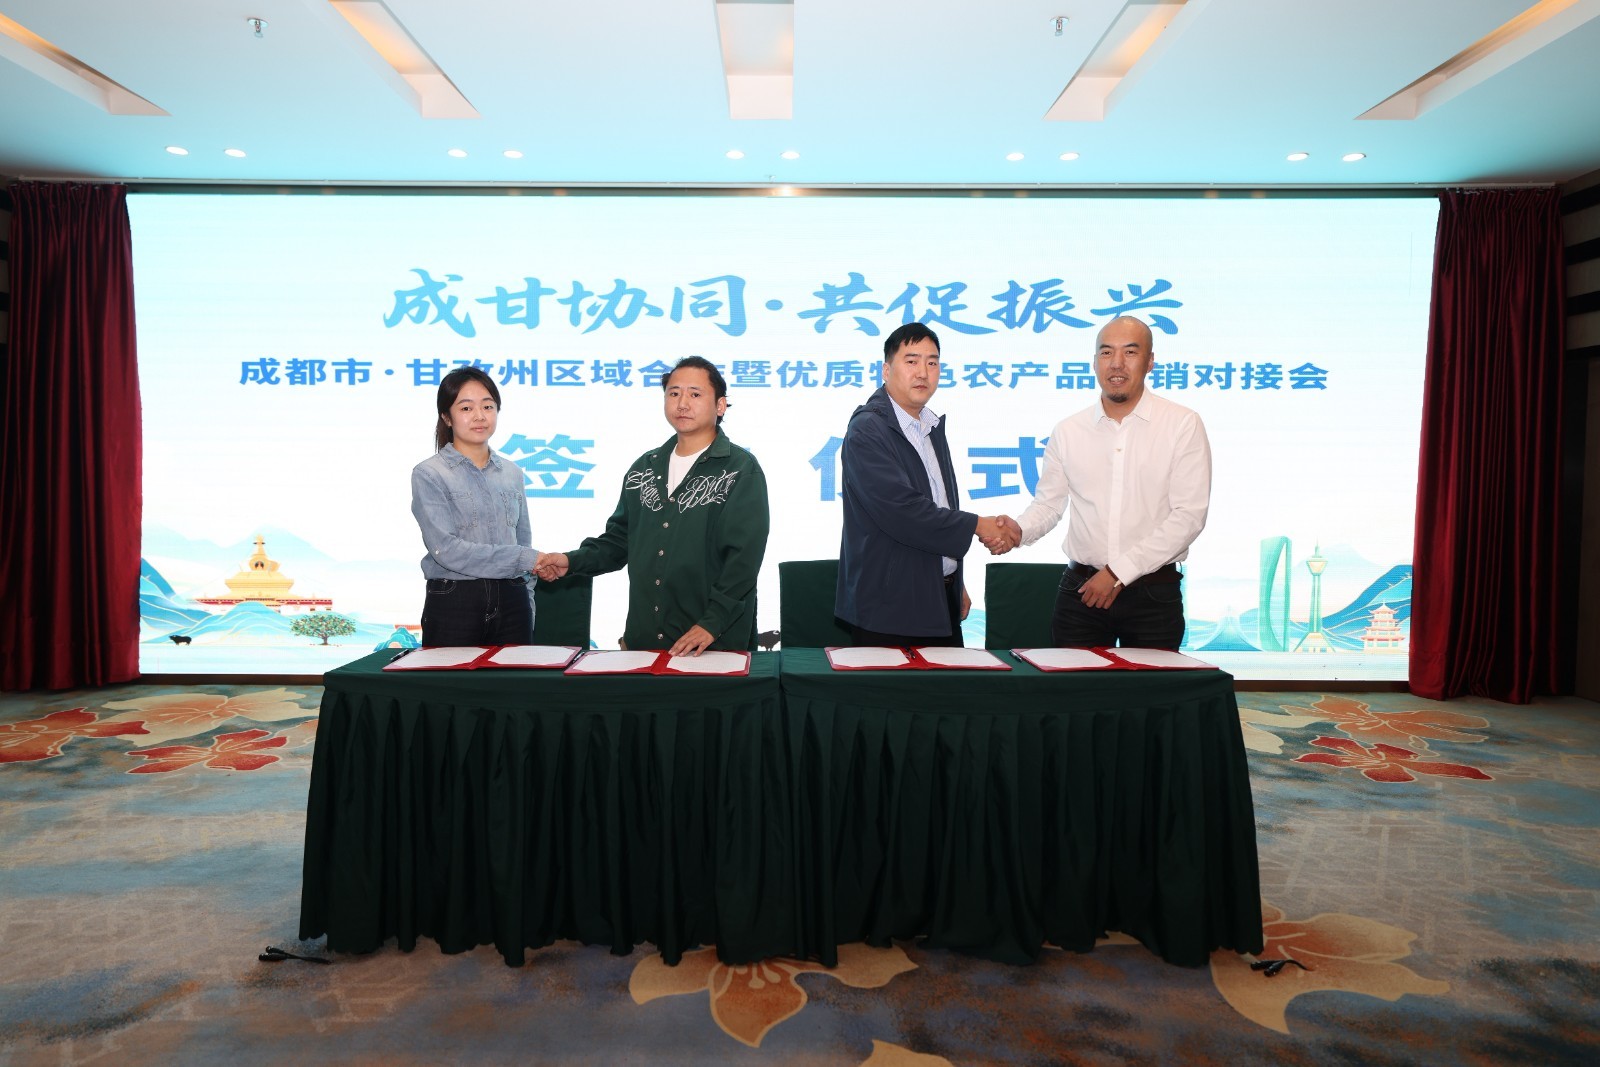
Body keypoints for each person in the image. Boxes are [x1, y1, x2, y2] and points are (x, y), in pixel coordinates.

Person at [987, 316, 1211, 650]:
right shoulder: (1069, 430)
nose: (1116, 363)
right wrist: (1019, 530)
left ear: (1150, 361)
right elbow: (1048, 504)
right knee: (1075, 684)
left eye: (1130, 352)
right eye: (1106, 353)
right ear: (1094, 362)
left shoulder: (1182, 424)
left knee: (1152, 685)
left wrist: (1118, 572)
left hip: (1153, 595)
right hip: (1082, 593)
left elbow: (1188, 516)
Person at [535, 357, 769, 656]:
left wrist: (712, 623)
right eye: (674, 393)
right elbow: (619, 541)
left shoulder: (739, 469)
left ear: (720, 405)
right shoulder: (644, 468)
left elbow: (743, 558)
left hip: (711, 643)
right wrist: (571, 561)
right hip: (644, 640)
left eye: (695, 394)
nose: (682, 403)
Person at [835, 323, 1008, 647]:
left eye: (932, 362)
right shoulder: (868, 429)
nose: (923, 372)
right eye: (911, 361)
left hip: (938, 599)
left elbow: (940, 505)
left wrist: (953, 579)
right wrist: (977, 525)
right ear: (886, 370)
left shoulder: (930, 426)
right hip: (889, 607)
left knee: (948, 682)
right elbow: (903, 512)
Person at [410, 367, 540, 646]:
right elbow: (447, 550)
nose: (480, 416)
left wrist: (526, 601)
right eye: (466, 408)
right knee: (450, 677)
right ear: (446, 417)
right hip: (455, 600)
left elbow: (523, 541)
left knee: (514, 675)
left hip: (513, 599)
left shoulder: (512, 473)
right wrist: (524, 558)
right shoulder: (429, 473)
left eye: (488, 406)